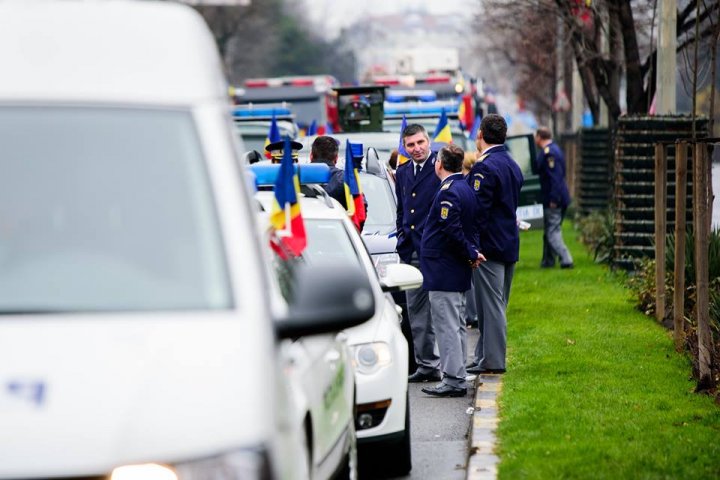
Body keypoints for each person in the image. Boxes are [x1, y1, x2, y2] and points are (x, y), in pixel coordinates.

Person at [419, 144, 483, 397]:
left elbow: (452, 230)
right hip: (453, 268)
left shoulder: (449, 191)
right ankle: (456, 374)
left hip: (443, 269)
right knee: (455, 324)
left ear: (440, 164)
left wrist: (470, 252)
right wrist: (473, 251)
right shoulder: (464, 187)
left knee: (447, 325)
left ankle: (454, 379)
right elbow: (473, 227)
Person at [466, 114, 524, 375]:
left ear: (481, 135)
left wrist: (473, 246)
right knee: (495, 304)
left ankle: (494, 361)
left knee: (491, 307)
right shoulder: (511, 163)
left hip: (489, 247)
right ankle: (483, 356)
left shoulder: (484, 167)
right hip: (509, 242)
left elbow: (478, 211)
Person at [395, 124, 442, 382]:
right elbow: (402, 210)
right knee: (416, 311)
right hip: (412, 252)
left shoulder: (439, 168)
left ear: (429, 141)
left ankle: (449, 367)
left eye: (420, 143)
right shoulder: (402, 172)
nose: (416, 149)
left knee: (444, 311)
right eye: (411, 145)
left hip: (436, 251)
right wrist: (402, 236)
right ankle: (426, 365)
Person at [534, 126, 574, 269]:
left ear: (539, 137)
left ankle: (566, 259)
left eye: (535, 136)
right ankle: (548, 261)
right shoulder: (554, 149)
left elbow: (555, 179)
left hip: (554, 199)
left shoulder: (549, 153)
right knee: (549, 231)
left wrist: (553, 200)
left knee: (552, 232)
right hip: (556, 197)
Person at [462, 151, 479, 329]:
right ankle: (474, 314)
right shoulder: (472, 183)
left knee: (470, 280)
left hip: (468, 236)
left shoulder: (465, 184)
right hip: (474, 235)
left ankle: (472, 314)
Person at [309, 135, 346, 208]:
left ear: (311, 156)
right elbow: (360, 210)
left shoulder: (295, 177)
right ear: (336, 158)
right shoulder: (345, 179)